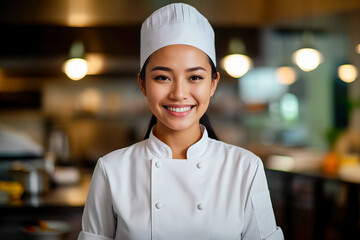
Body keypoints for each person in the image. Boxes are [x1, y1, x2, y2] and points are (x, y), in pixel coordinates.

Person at [78, 3, 284, 240]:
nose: (179, 93)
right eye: (163, 77)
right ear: (143, 84)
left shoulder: (245, 168)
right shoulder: (111, 170)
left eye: (195, 77)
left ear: (213, 83)